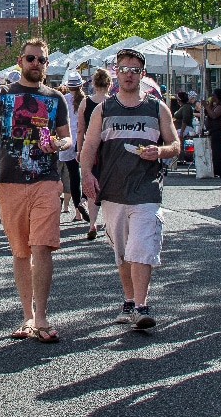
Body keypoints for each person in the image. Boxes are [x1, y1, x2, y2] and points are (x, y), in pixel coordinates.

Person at [0, 38, 71, 343]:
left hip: (45, 179)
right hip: (10, 181)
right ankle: (26, 316)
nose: (36, 65)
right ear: (20, 61)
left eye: (41, 60)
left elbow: (68, 140)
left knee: (42, 247)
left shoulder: (56, 98)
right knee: (21, 251)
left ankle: (41, 317)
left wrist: (58, 144)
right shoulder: (1, 95)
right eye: (31, 59)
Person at [80, 46, 180, 331]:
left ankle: (141, 305)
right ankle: (128, 299)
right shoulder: (104, 109)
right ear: (116, 73)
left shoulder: (157, 107)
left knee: (142, 245)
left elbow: (174, 144)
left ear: (142, 75)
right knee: (123, 251)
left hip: (146, 190)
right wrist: (86, 175)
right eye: (123, 69)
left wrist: (159, 151)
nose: (128, 75)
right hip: (112, 190)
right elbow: (89, 147)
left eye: (134, 70)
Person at [76, 68, 110, 237]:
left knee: (91, 186)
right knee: (110, 185)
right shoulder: (113, 103)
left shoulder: (86, 102)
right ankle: (110, 223)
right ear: (109, 84)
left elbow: (80, 130)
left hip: (90, 149)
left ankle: (92, 224)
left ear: (94, 84)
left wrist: (79, 149)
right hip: (110, 150)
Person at [59, 73, 85, 221]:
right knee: (87, 175)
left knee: (73, 177)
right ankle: (85, 202)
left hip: (68, 142)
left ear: (68, 86)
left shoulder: (64, 100)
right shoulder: (86, 101)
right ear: (81, 85)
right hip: (84, 141)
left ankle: (77, 211)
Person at [205, 87, 221, 179]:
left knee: (218, 152)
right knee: (215, 151)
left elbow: (214, 115)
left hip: (218, 131)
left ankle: (219, 170)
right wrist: (210, 103)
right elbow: (208, 112)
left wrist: (207, 106)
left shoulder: (220, 106)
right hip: (213, 130)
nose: (212, 97)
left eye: (213, 95)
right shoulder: (215, 105)